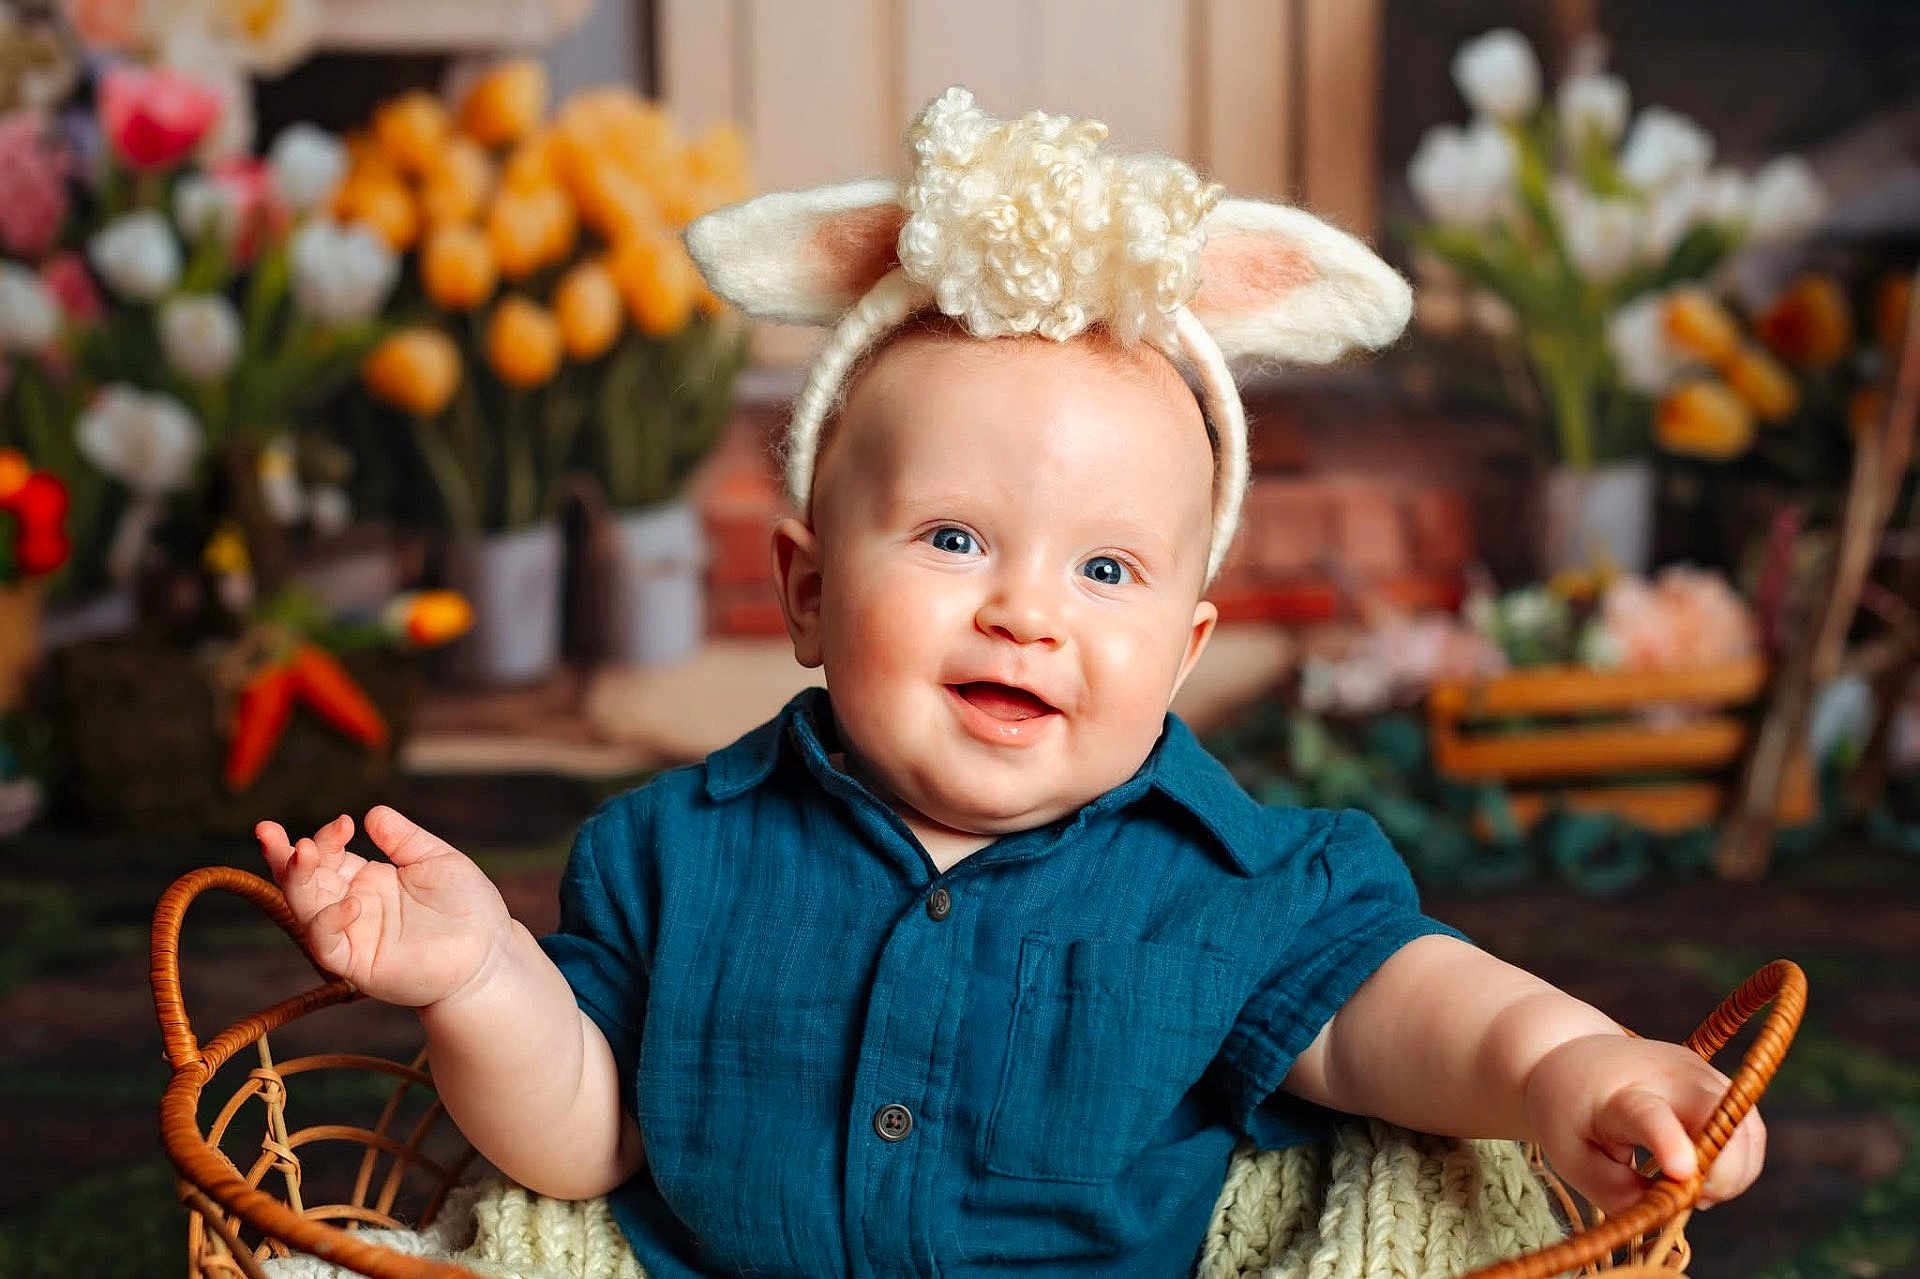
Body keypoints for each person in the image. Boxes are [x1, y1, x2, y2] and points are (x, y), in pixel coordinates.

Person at [256, 87, 1764, 1277]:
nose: (1027, 612)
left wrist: (1570, 1069)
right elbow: (585, 1142)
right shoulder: (672, 854)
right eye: (954, 538)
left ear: (1183, 651)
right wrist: (479, 979)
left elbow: (1398, 1013)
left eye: (1106, 569)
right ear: (806, 592)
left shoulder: (1234, 880)